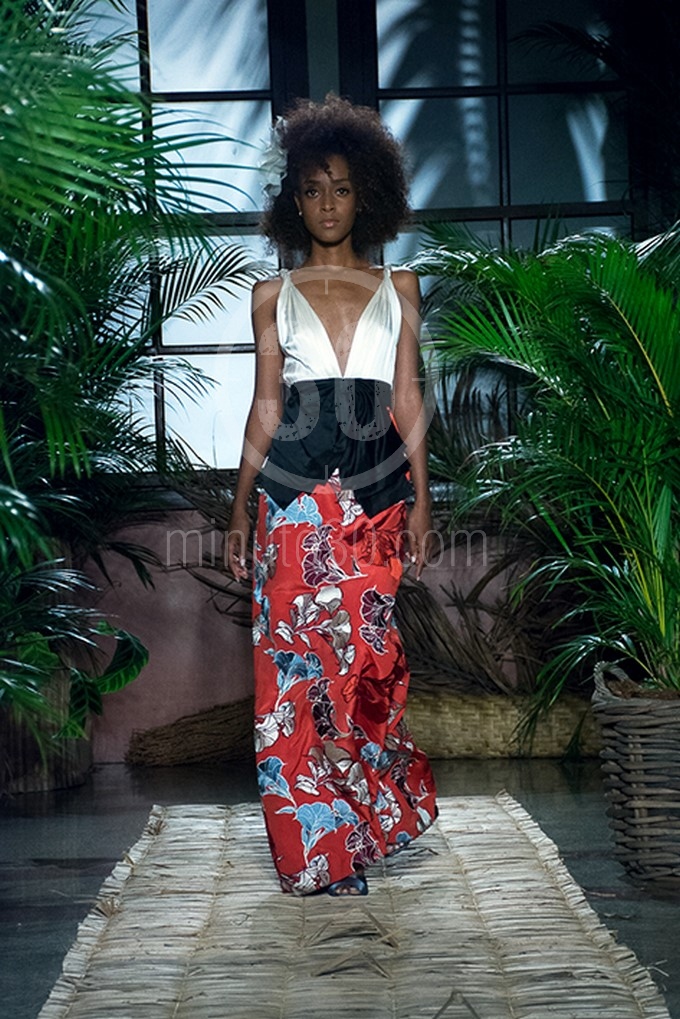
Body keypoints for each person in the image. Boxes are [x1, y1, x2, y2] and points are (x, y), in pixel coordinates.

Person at [226, 94, 438, 896]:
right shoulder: (270, 294)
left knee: (366, 667)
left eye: (341, 189)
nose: (326, 204)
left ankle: (368, 820)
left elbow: (408, 399)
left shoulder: (401, 286)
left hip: (377, 502)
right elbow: (266, 407)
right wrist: (239, 507)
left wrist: (424, 500)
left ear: (366, 195)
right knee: (295, 675)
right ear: (294, 200)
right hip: (291, 503)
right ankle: (321, 852)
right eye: (312, 189)